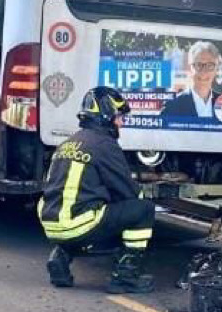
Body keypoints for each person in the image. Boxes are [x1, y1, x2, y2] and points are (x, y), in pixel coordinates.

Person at [37, 86, 157, 293]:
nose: (121, 123)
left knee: (92, 210)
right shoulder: (104, 144)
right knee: (142, 209)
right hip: (77, 224)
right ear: (106, 116)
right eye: (119, 117)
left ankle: (61, 256)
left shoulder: (68, 142)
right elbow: (128, 192)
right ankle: (126, 277)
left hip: (50, 223)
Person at [159, 41, 222, 120]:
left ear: (216, 69)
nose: (204, 71)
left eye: (210, 65)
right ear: (190, 68)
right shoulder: (172, 106)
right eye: (198, 65)